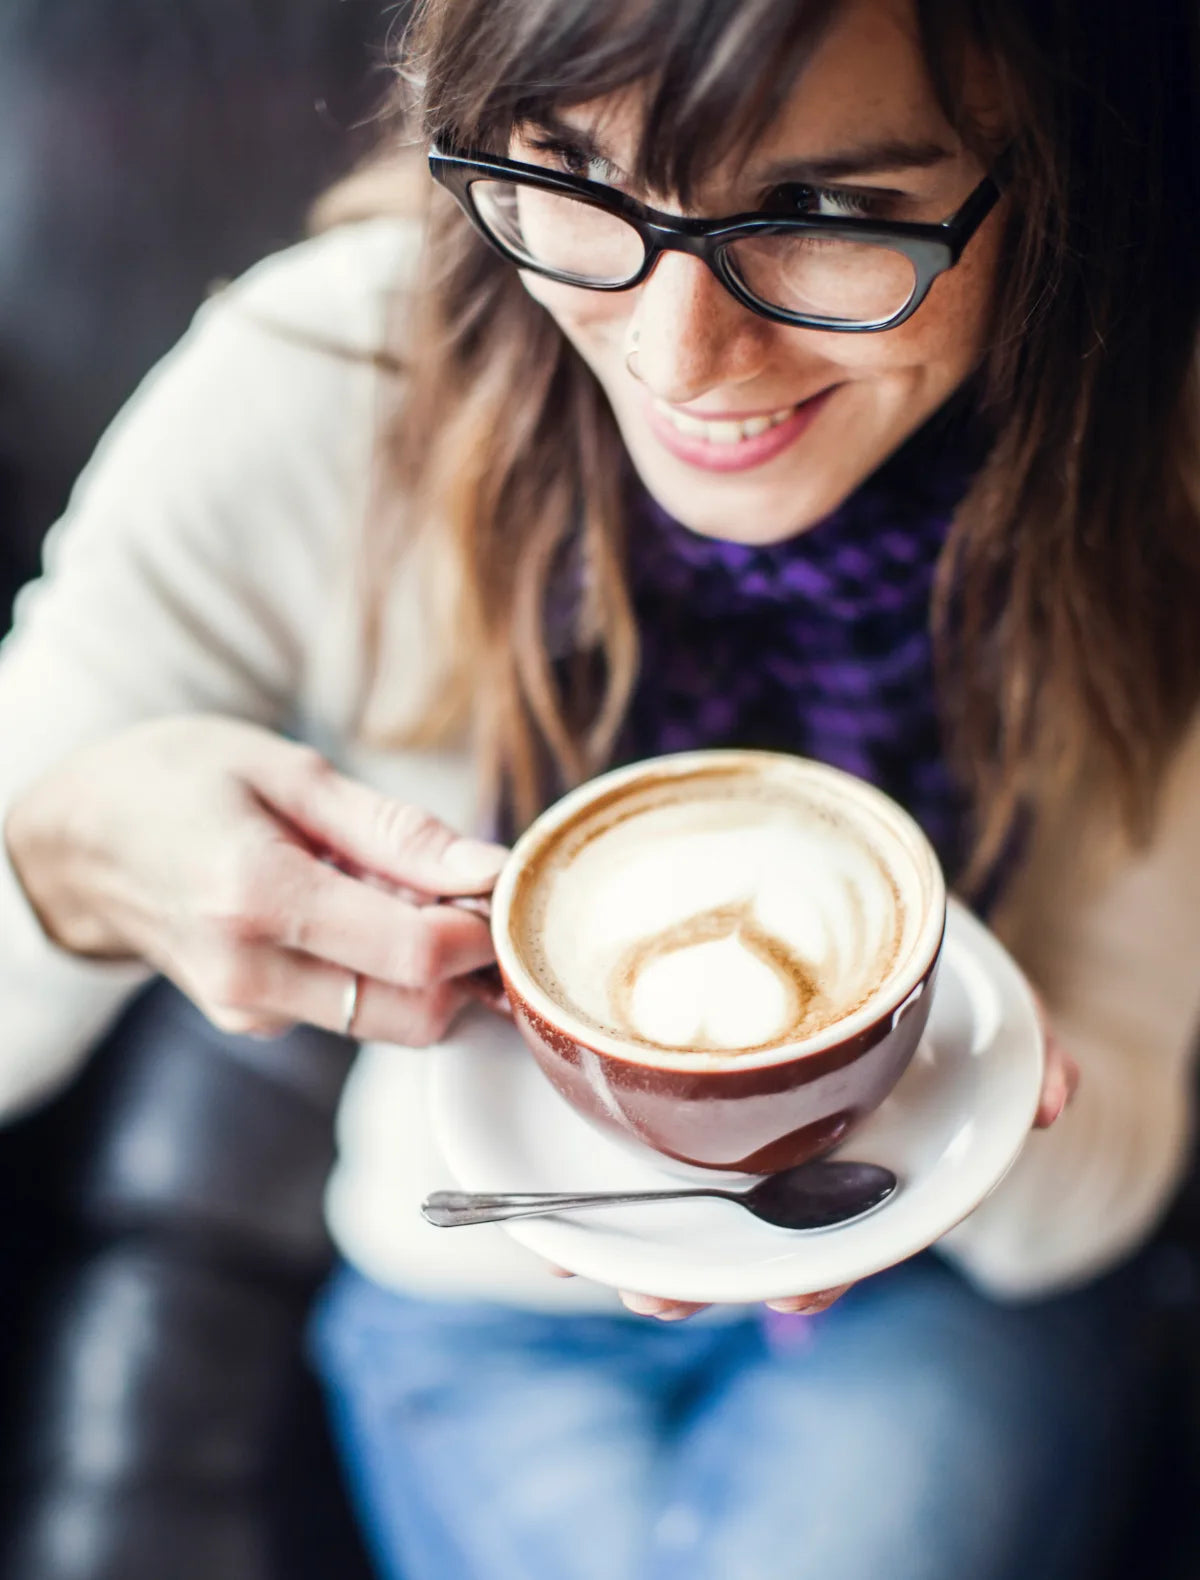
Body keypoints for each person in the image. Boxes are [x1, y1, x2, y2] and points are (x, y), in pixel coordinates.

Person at [1, 0, 1198, 1576]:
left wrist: (937, 1107)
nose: (678, 353)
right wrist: (65, 865)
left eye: (822, 213)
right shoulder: (322, 379)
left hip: (933, 1297)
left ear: (1058, 175)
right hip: (479, 1288)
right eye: (569, 172)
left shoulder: (1151, 474)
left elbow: (1099, 1195)